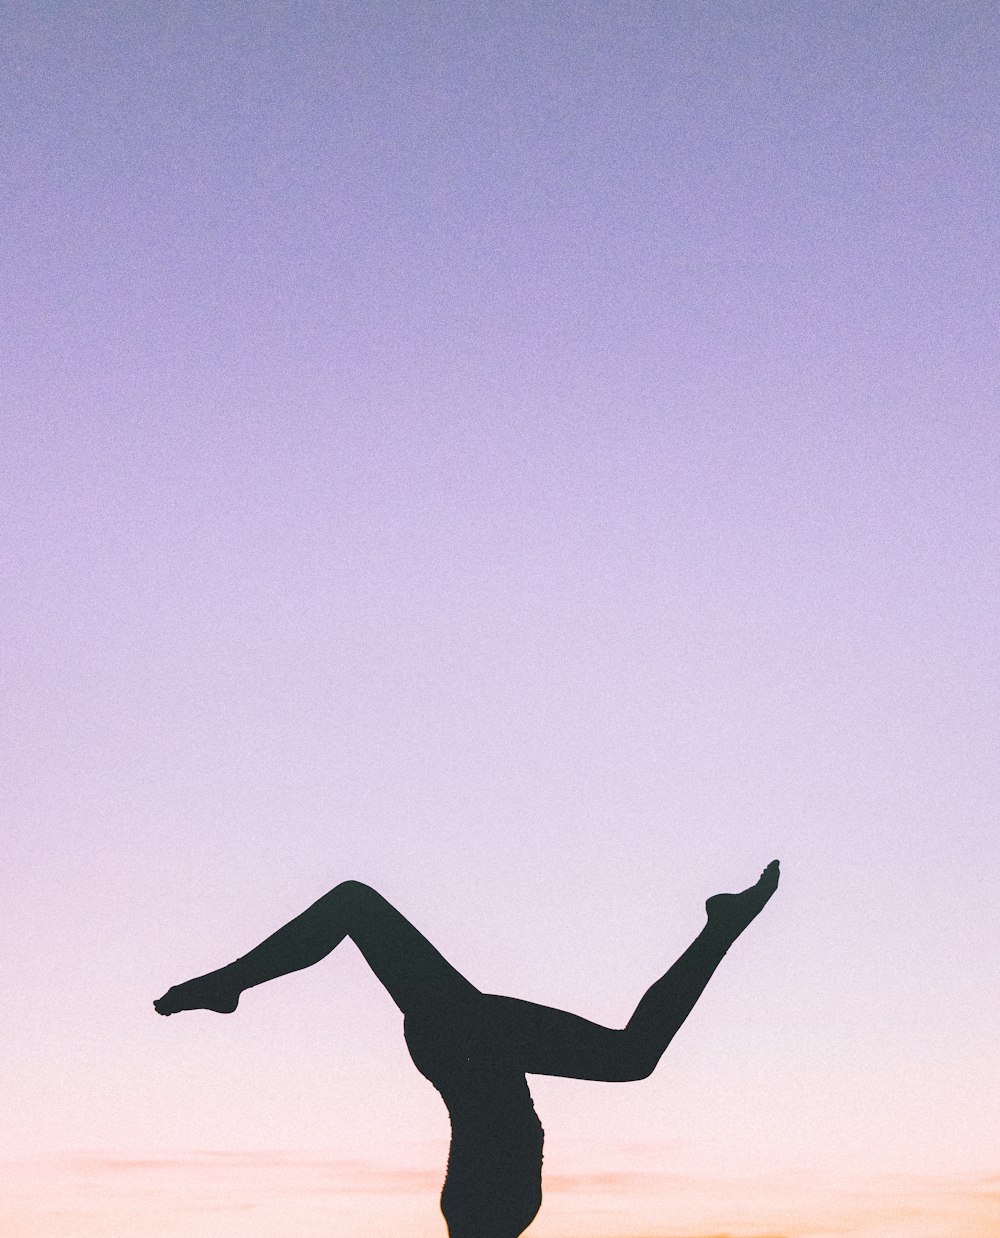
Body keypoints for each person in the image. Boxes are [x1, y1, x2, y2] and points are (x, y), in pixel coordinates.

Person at [155, 860, 779, 1237]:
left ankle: (228, 985)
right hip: (466, 1048)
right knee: (631, 1057)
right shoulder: (486, 1214)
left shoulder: (484, 1215)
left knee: (355, 904)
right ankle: (722, 925)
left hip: (469, 1045)